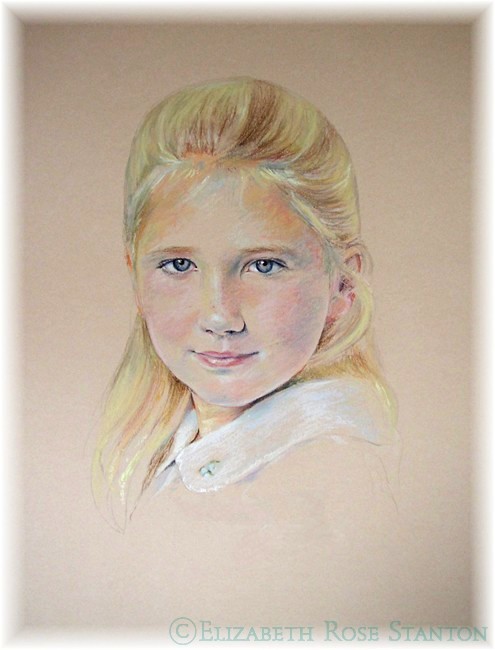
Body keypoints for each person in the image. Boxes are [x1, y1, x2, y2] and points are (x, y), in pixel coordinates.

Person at [92, 77, 398, 528]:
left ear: (342, 285)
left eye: (264, 266)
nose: (220, 316)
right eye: (178, 265)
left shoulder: (322, 483)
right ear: (135, 276)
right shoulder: (168, 455)